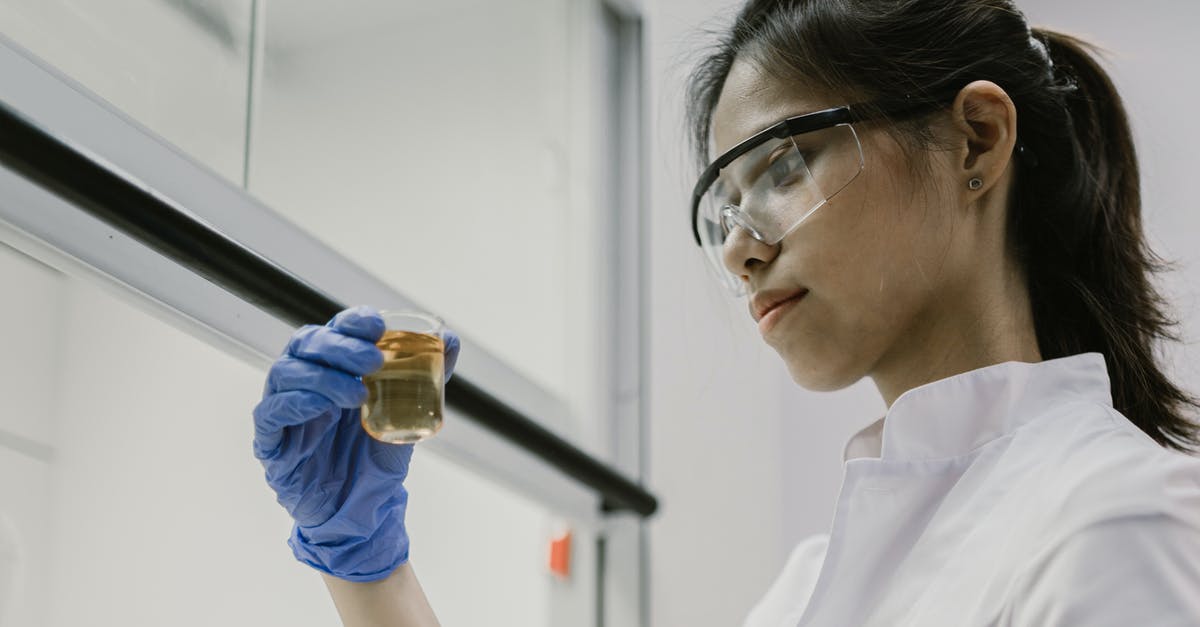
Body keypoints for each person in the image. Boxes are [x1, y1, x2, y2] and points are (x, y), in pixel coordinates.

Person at [252, 0, 1200, 624]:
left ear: (976, 142)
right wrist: (367, 566)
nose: (744, 246)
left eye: (786, 167)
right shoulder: (806, 589)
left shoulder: (1112, 525)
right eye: (724, 209)